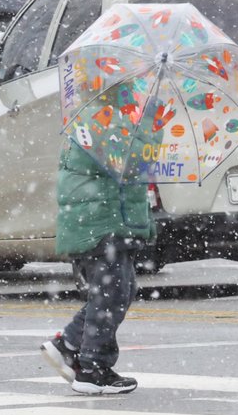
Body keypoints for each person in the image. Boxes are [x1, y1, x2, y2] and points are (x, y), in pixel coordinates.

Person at [40, 134, 156, 394]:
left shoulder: (118, 117)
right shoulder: (103, 118)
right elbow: (122, 160)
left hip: (109, 217)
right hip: (101, 220)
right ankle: (92, 368)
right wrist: (146, 140)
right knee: (111, 293)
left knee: (119, 291)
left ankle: (69, 344)